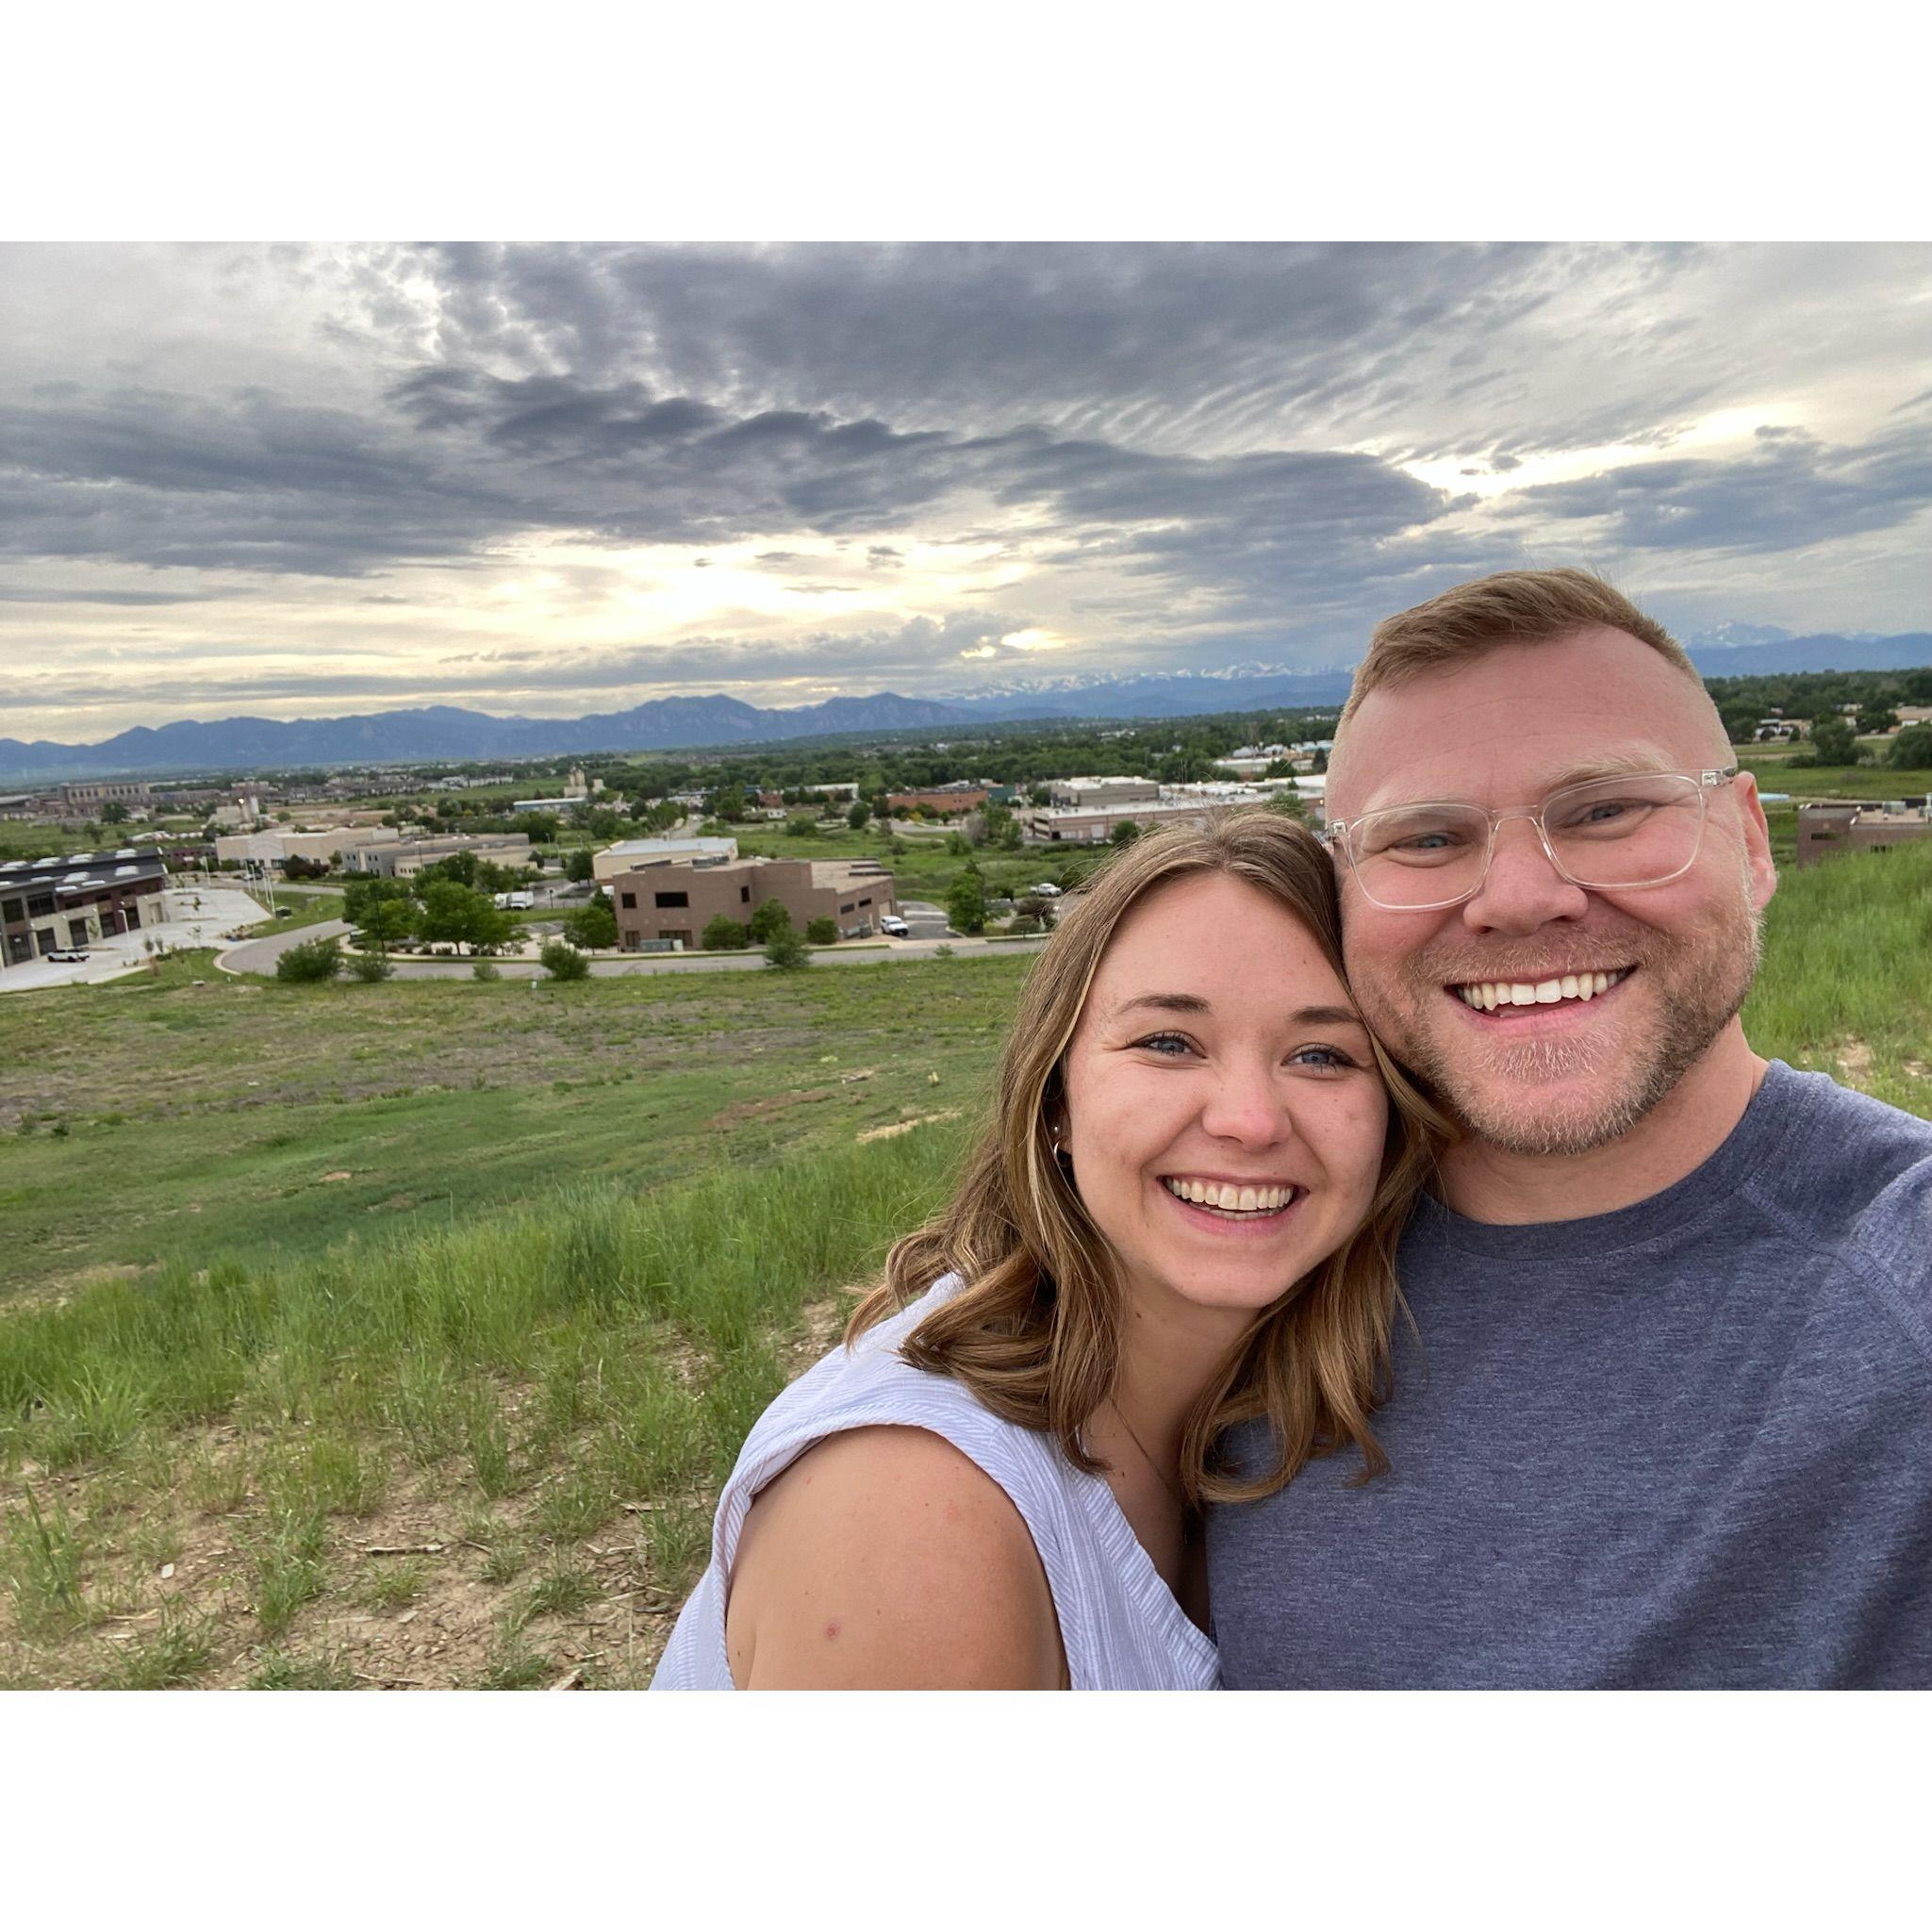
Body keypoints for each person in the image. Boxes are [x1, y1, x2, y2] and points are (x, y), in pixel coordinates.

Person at [1208, 569, 1932, 1689]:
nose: (1518, 896)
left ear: (1751, 841)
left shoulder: (1903, 1277)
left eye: (1604, 811)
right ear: (1345, 888)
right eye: (1428, 838)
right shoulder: (1251, 1244)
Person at [653, 813, 1445, 1689]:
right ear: (1055, 1100)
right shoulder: (911, 1515)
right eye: (1168, 1042)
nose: (1250, 1120)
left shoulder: (1292, 1400)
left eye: (1322, 1053)